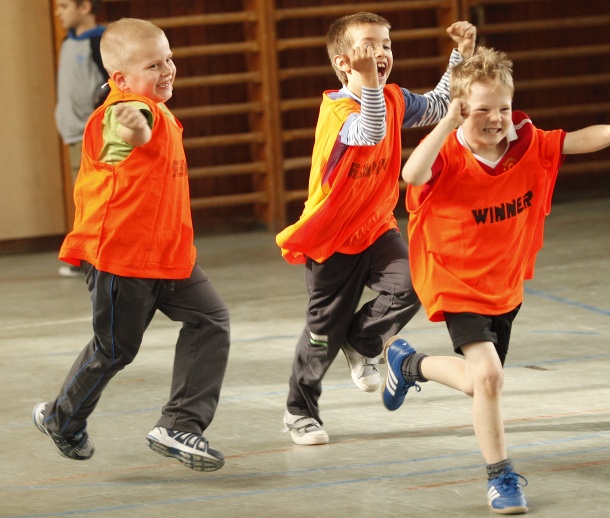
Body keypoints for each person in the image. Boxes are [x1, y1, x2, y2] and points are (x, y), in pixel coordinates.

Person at [382, 46, 610, 514]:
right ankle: (500, 476)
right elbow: (411, 173)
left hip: (503, 285)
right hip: (453, 279)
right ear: (462, 109)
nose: (496, 118)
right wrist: (445, 122)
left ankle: (408, 364)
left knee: (481, 382)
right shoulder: (446, 155)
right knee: (488, 375)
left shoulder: (526, 143)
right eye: (482, 109)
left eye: (503, 107)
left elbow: (578, 140)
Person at [33, 18, 231, 473]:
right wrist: (133, 130)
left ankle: (180, 424)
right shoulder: (121, 111)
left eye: (169, 59)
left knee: (211, 320)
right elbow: (125, 140)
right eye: (153, 65)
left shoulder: (157, 110)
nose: (168, 70)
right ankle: (61, 420)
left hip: (169, 257)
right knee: (115, 350)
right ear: (120, 79)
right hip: (122, 260)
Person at [275, 12, 476, 445]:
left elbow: (440, 104)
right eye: (369, 46)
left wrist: (460, 56)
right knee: (320, 335)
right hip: (331, 241)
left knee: (416, 282)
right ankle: (299, 411)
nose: (380, 53)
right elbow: (370, 131)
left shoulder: (391, 97)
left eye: (386, 44)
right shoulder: (339, 113)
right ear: (344, 62)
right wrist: (370, 85)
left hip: (377, 228)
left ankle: (363, 341)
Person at [54, 0, 108, 278]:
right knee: (83, 198)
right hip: (73, 133)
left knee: (93, 198)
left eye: (63, 6)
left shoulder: (99, 42)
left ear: (84, 7)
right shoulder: (67, 42)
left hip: (91, 135)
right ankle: (87, 256)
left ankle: (92, 259)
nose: (58, 12)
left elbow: (111, 81)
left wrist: (96, 103)